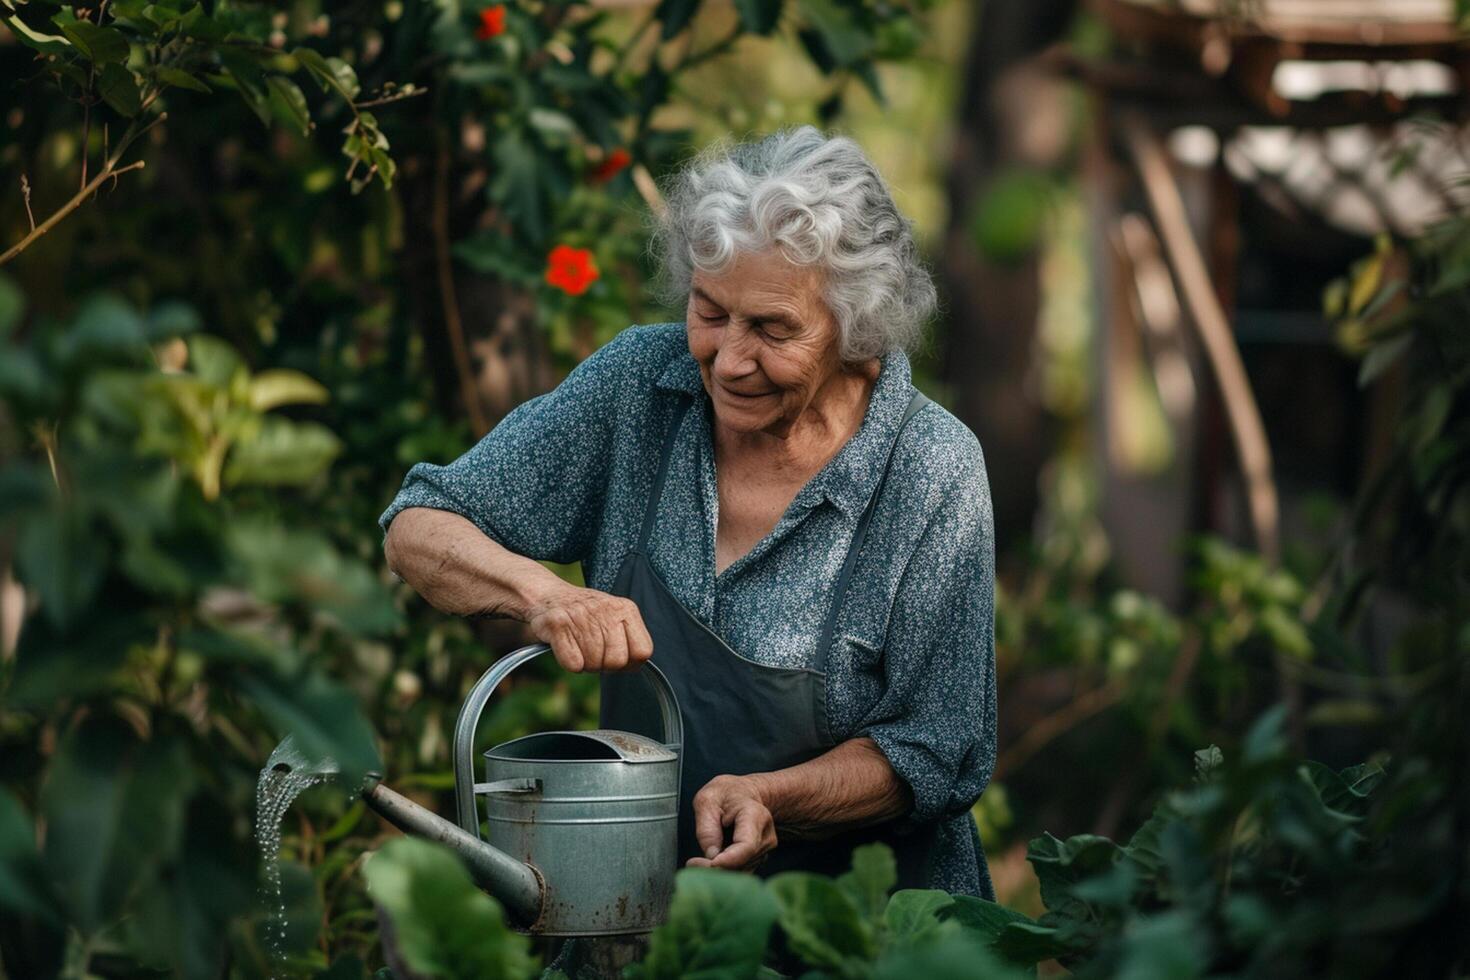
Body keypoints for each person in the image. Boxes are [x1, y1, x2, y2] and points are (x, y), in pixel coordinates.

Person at [378, 125, 997, 898]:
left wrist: (773, 797)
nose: (731, 361)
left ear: (856, 327)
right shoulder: (640, 388)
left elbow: (938, 750)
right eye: (710, 312)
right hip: (649, 917)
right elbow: (419, 524)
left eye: (773, 329)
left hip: (864, 929)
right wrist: (546, 596)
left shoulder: (929, 470)